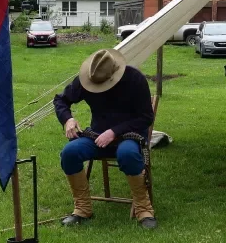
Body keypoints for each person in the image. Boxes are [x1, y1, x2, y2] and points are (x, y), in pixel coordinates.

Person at [54, 48, 157, 229]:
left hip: (129, 136)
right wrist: (67, 119)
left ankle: (144, 209)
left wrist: (114, 131)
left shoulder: (135, 79)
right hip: (97, 136)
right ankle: (83, 208)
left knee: (128, 154)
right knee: (69, 153)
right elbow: (61, 100)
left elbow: (146, 117)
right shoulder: (88, 78)